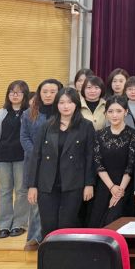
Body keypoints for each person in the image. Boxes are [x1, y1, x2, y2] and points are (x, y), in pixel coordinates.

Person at [27, 87, 95, 238]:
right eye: (62, 102)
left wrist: (89, 184)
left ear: (76, 104)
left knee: (67, 224)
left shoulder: (86, 126)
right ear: (56, 104)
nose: (65, 106)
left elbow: (90, 157)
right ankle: (50, 253)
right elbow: (36, 156)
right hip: (47, 184)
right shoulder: (47, 126)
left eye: (69, 102)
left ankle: (66, 253)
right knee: (48, 225)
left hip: (73, 183)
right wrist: (32, 185)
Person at [20, 78, 62, 250]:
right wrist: (38, 154)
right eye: (45, 92)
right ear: (39, 93)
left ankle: (53, 237)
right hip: (35, 163)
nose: (48, 95)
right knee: (35, 202)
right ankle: (34, 237)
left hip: (58, 164)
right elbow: (24, 138)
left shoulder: (63, 112)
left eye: (52, 92)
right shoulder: (29, 113)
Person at [88, 96, 135, 227]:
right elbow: (98, 163)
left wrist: (119, 191)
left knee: (116, 223)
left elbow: (131, 165)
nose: (114, 115)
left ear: (126, 112)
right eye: (110, 111)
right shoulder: (99, 134)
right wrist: (111, 187)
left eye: (118, 111)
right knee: (98, 224)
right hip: (104, 185)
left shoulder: (134, 135)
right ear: (105, 113)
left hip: (125, 186)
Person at [0, 80, 30, 238]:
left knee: (22, 191)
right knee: (4, 191)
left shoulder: (29, 113)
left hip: (22, 158)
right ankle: (3, 224)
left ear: (25, 95)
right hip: (3, 157)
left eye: (18, 92)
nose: (14, 95)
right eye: (11, 92)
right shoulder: (0, 113)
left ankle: (19, 223)